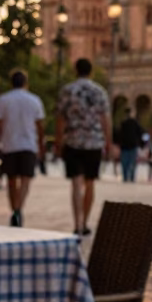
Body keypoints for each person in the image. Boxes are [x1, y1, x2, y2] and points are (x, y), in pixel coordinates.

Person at [55, 57, 111, 235]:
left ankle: (77, 223)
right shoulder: (99, 92)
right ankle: (85, 221)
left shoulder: (67, 91)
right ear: (91, 71)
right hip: (94, 142)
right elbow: (105, 119)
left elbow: (60, 119)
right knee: (90, 183)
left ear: (75, 70)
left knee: (76, 184)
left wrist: (58, 142)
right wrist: (108, 142)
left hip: (73, 141)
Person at [0, 70, 45, 227]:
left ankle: (14, 209)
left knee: (11, 180)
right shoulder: (35, 100)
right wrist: (41, 147)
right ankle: (19, 209)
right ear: (26, 83)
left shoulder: (3, 100)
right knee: (25, 180)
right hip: (29, 145)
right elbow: (40, 127)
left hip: (9, 145)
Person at [117, 107, 143, 182]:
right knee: (132, 162)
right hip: (132, 145)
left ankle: (126, 177)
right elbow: (140, 132)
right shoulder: (134, 123)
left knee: (125, 163)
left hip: (125, 146)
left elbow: (119, 134)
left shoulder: (123, 123)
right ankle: (131, 177)